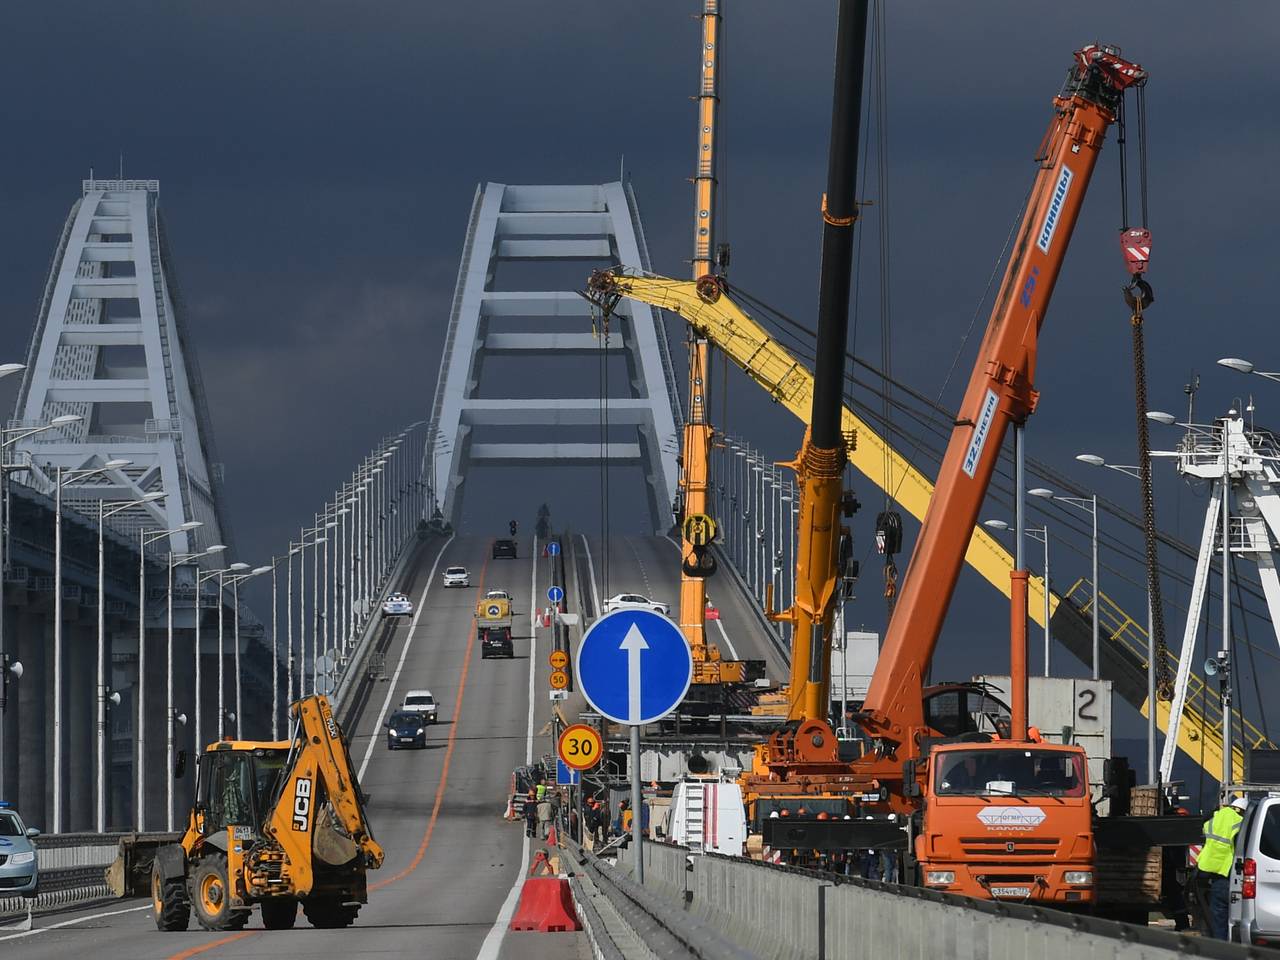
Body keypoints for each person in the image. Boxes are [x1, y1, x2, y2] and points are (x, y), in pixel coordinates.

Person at [1199, 795, 1247, 940]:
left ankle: (1219, 948)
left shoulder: (1216, 817)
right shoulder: (1240, 822)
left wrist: (1217, 808)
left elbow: (1203, 822)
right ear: (1243, 811)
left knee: (1218, 916)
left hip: (1210, 870)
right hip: (1229, 873)